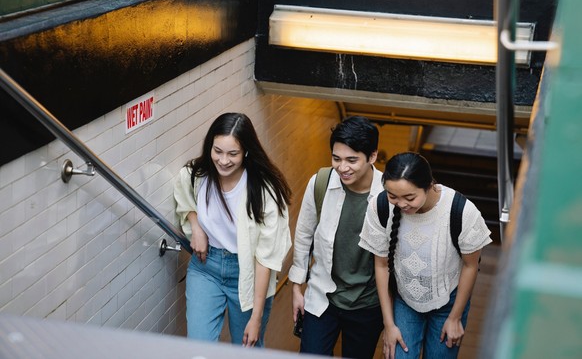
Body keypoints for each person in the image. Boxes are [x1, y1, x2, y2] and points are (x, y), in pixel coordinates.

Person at [173, 112, 292, 347]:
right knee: (198, 348)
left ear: (246, 151)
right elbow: (183, 192)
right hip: (206, 267)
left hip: (248, 273)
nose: (224, 160)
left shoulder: (265, 192)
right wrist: (196, 225)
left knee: (245, 349)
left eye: (233, 154)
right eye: (218, 151)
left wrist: (256, 318)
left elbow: (265, 259)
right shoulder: (197, 174)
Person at [358, 152, 492, 359]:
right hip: (405, 301)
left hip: (449, 301)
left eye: (409, 197)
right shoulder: (381, 206)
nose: (401, 204)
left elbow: (470, 266)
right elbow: (381, 265)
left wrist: (455, 317)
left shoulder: (461, 211)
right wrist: (389, 324)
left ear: (429, 185)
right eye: (393, 196)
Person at [289, 116, 385, 359]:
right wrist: (296, 288)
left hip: (367, 304)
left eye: (352, 160)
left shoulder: (387, 194)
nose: (342, 167)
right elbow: (303, 234)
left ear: (372, 156)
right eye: (336, 159)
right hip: (322, 298)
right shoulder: (320, 182)